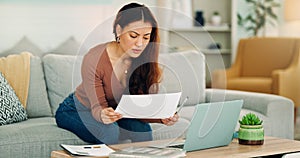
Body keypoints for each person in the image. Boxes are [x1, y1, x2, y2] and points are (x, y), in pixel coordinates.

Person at [55, 2, 179, 145]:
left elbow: (139, 108)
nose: (140, 43)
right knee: (110, 132)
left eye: (146, 37)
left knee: (143, 131)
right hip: (76, 110)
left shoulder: (142, 60)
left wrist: (162, 118)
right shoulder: (94, 58)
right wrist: (103, 115)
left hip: (115, 111)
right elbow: (98, 107)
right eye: (133, 35)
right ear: (119, 30)